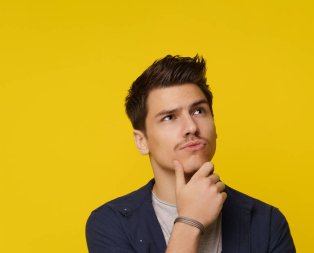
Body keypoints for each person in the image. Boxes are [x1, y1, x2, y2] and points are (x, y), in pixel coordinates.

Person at [86, 55, 296, 253]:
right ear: (142, 141)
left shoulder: (267, 222)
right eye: (169, 117)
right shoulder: (110, 223)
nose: (191, 127)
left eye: (199, 111)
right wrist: (189, 222)